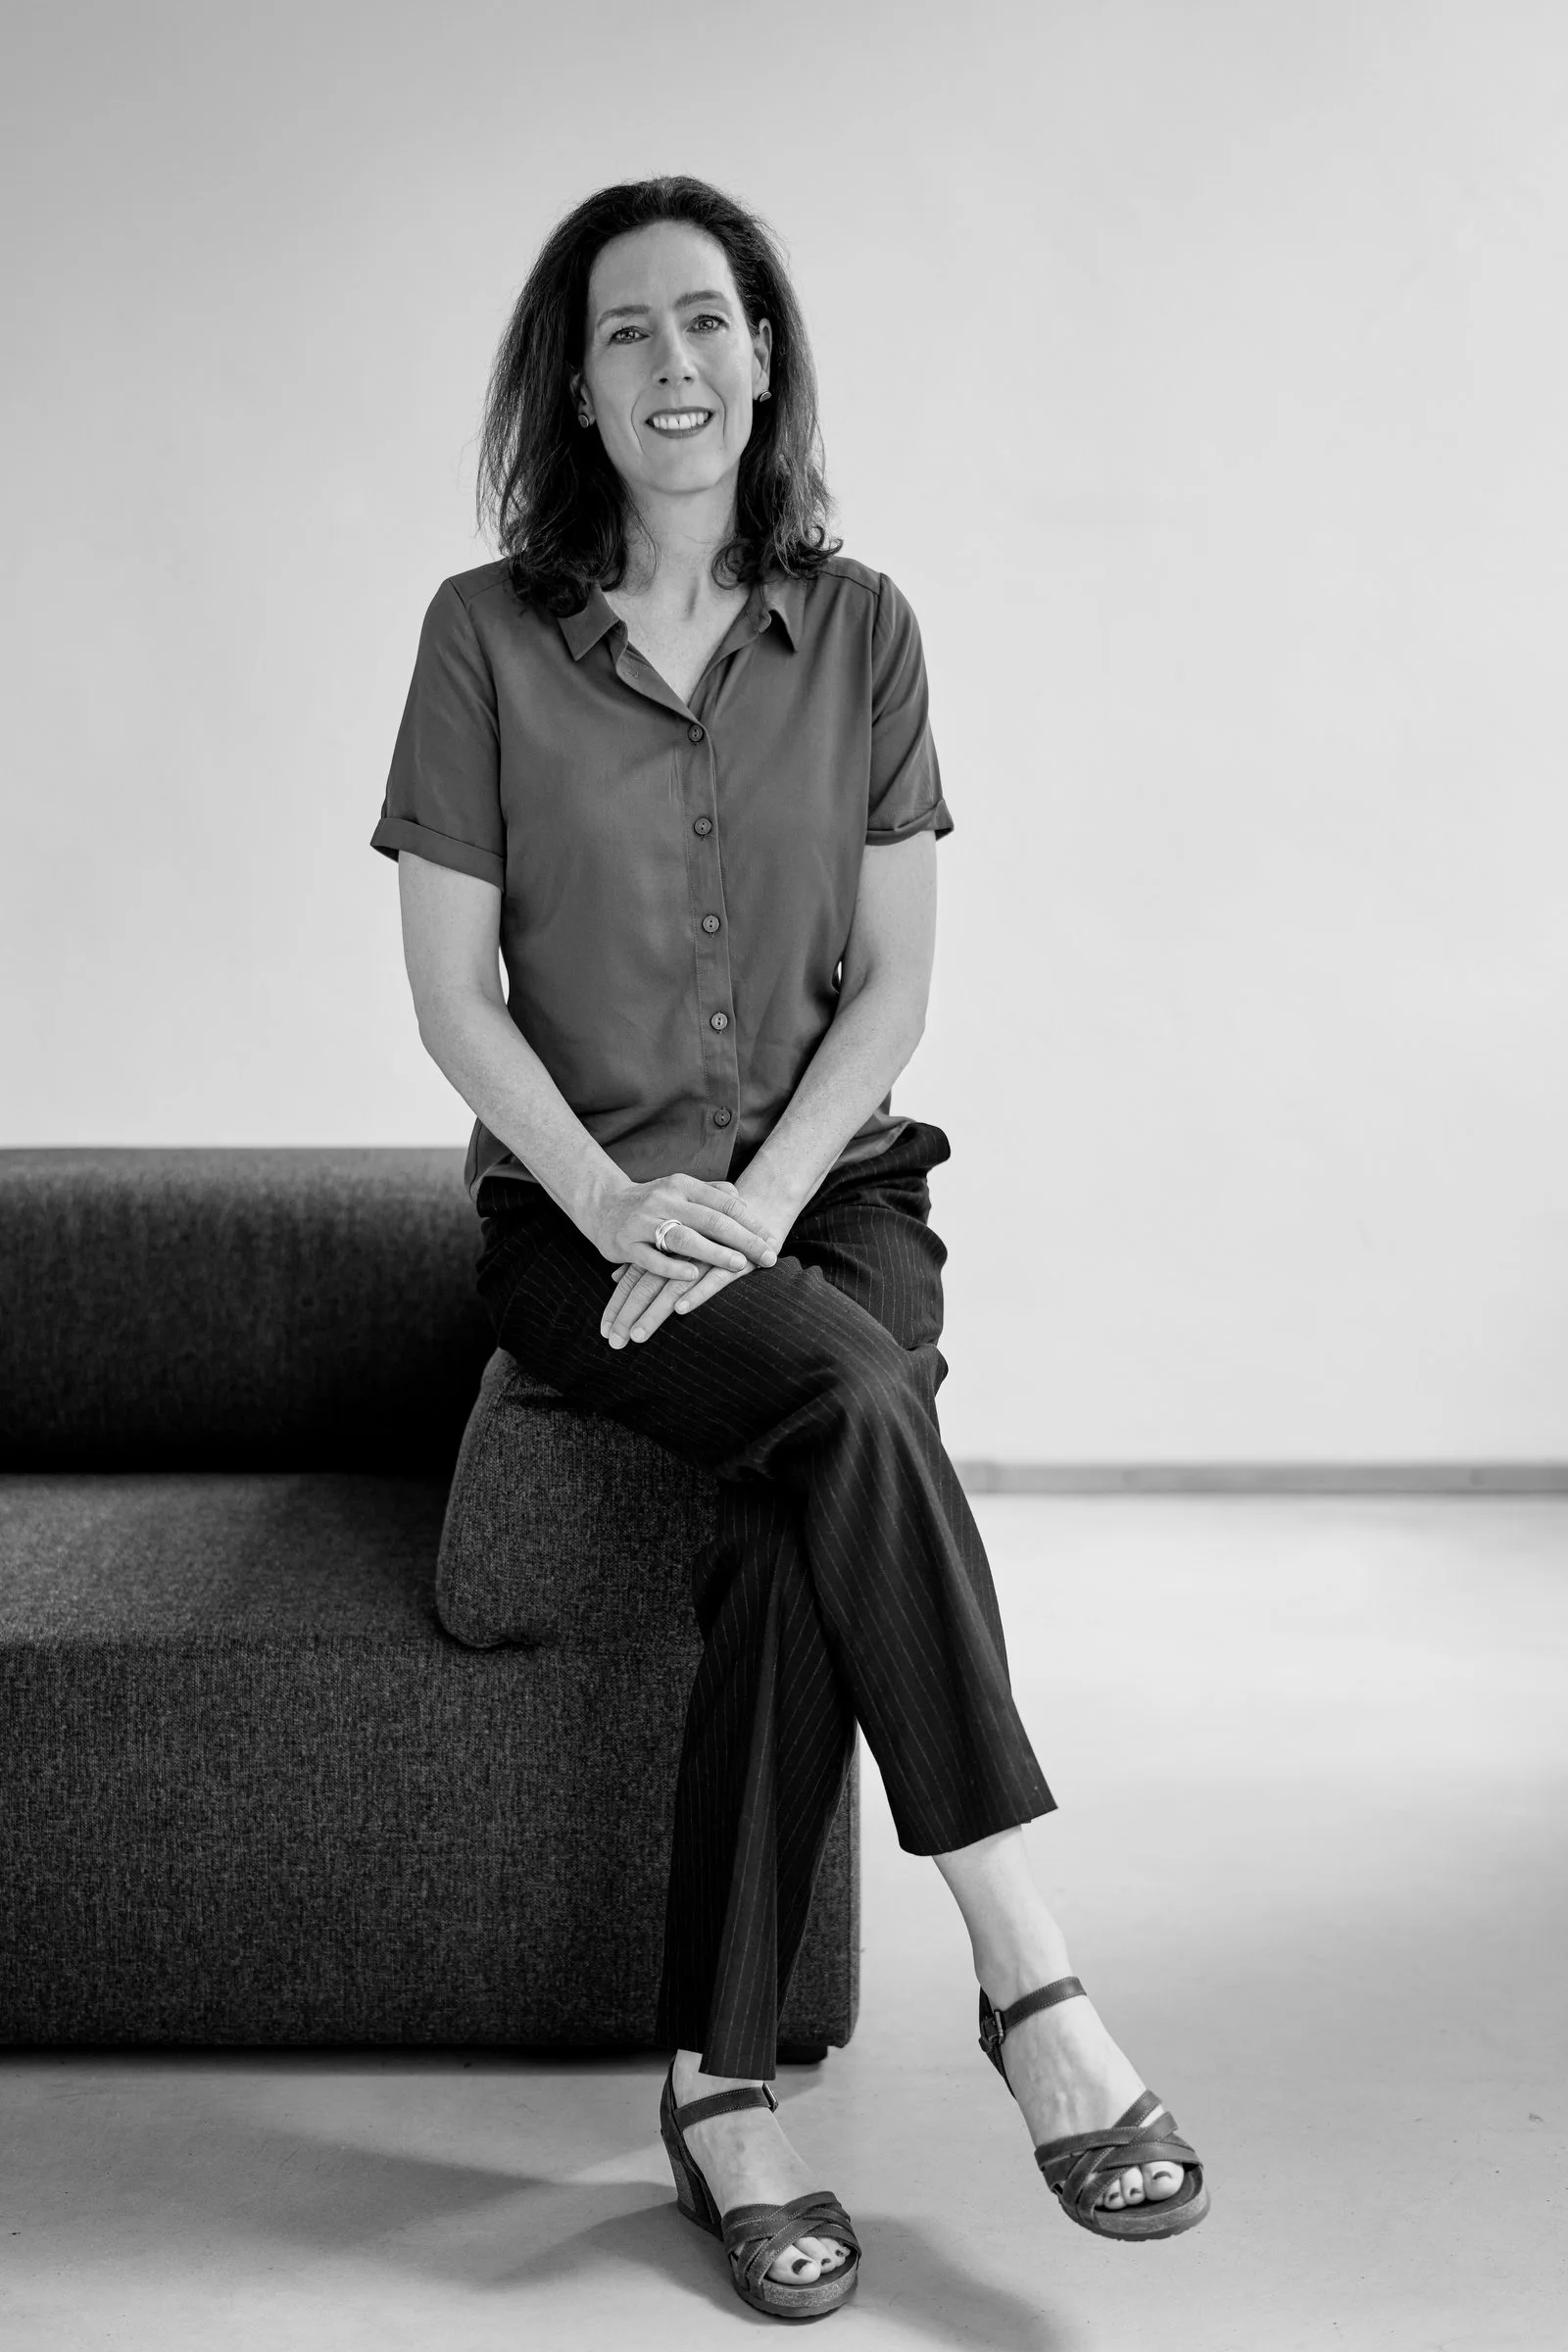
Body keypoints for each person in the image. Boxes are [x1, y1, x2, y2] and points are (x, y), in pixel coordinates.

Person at [370, 172, 1207, 2324]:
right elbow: (454, 998)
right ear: (575, 384)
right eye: (627, 330)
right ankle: (1030, 1975)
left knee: (793, 1497)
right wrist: (612, 1200)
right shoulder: (480, 634)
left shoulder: (866, 629)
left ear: (764, 357)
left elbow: (893, 986)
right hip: (582, 1213)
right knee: (844, 1397)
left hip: (833, 1188)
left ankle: (719, 2091)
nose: (675, 363)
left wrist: (759, 1204)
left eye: (709, 321)